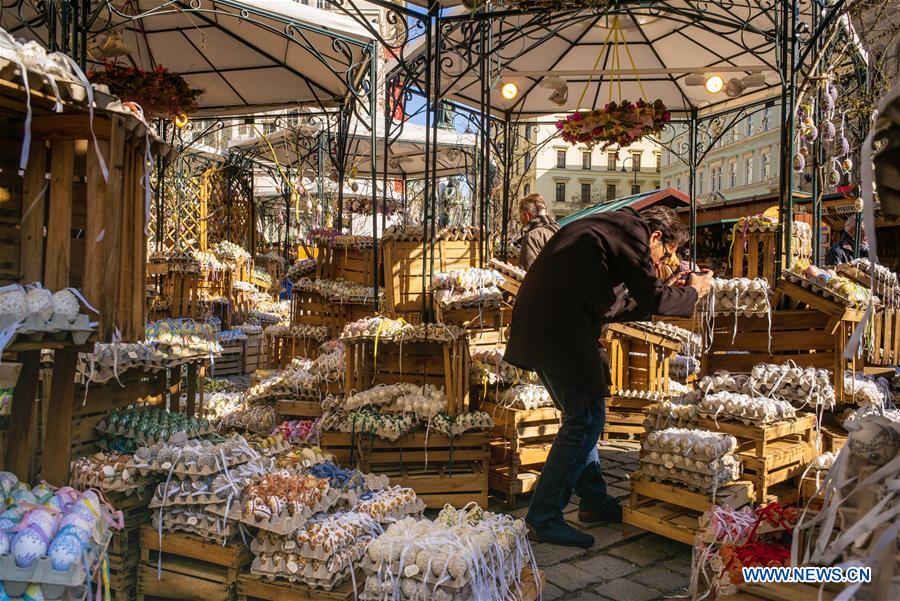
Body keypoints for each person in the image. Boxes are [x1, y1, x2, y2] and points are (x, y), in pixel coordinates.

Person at [504, 206, 713, 548]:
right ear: (656, 236)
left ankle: (594, 502)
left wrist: (667, 288)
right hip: (558, 329)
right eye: (667, 253)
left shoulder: (613, 231)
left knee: (585, 416)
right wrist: (694, 291)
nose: (664, 261)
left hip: (550, 325)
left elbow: (617, 306)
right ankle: (544, 517)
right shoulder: (632, 232)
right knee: (585, 420)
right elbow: (655, 299)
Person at [517, 194, 560, 270]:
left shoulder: (531, 237)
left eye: (521, 219)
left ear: (526, 215)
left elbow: (527, 274)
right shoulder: (559, 230)